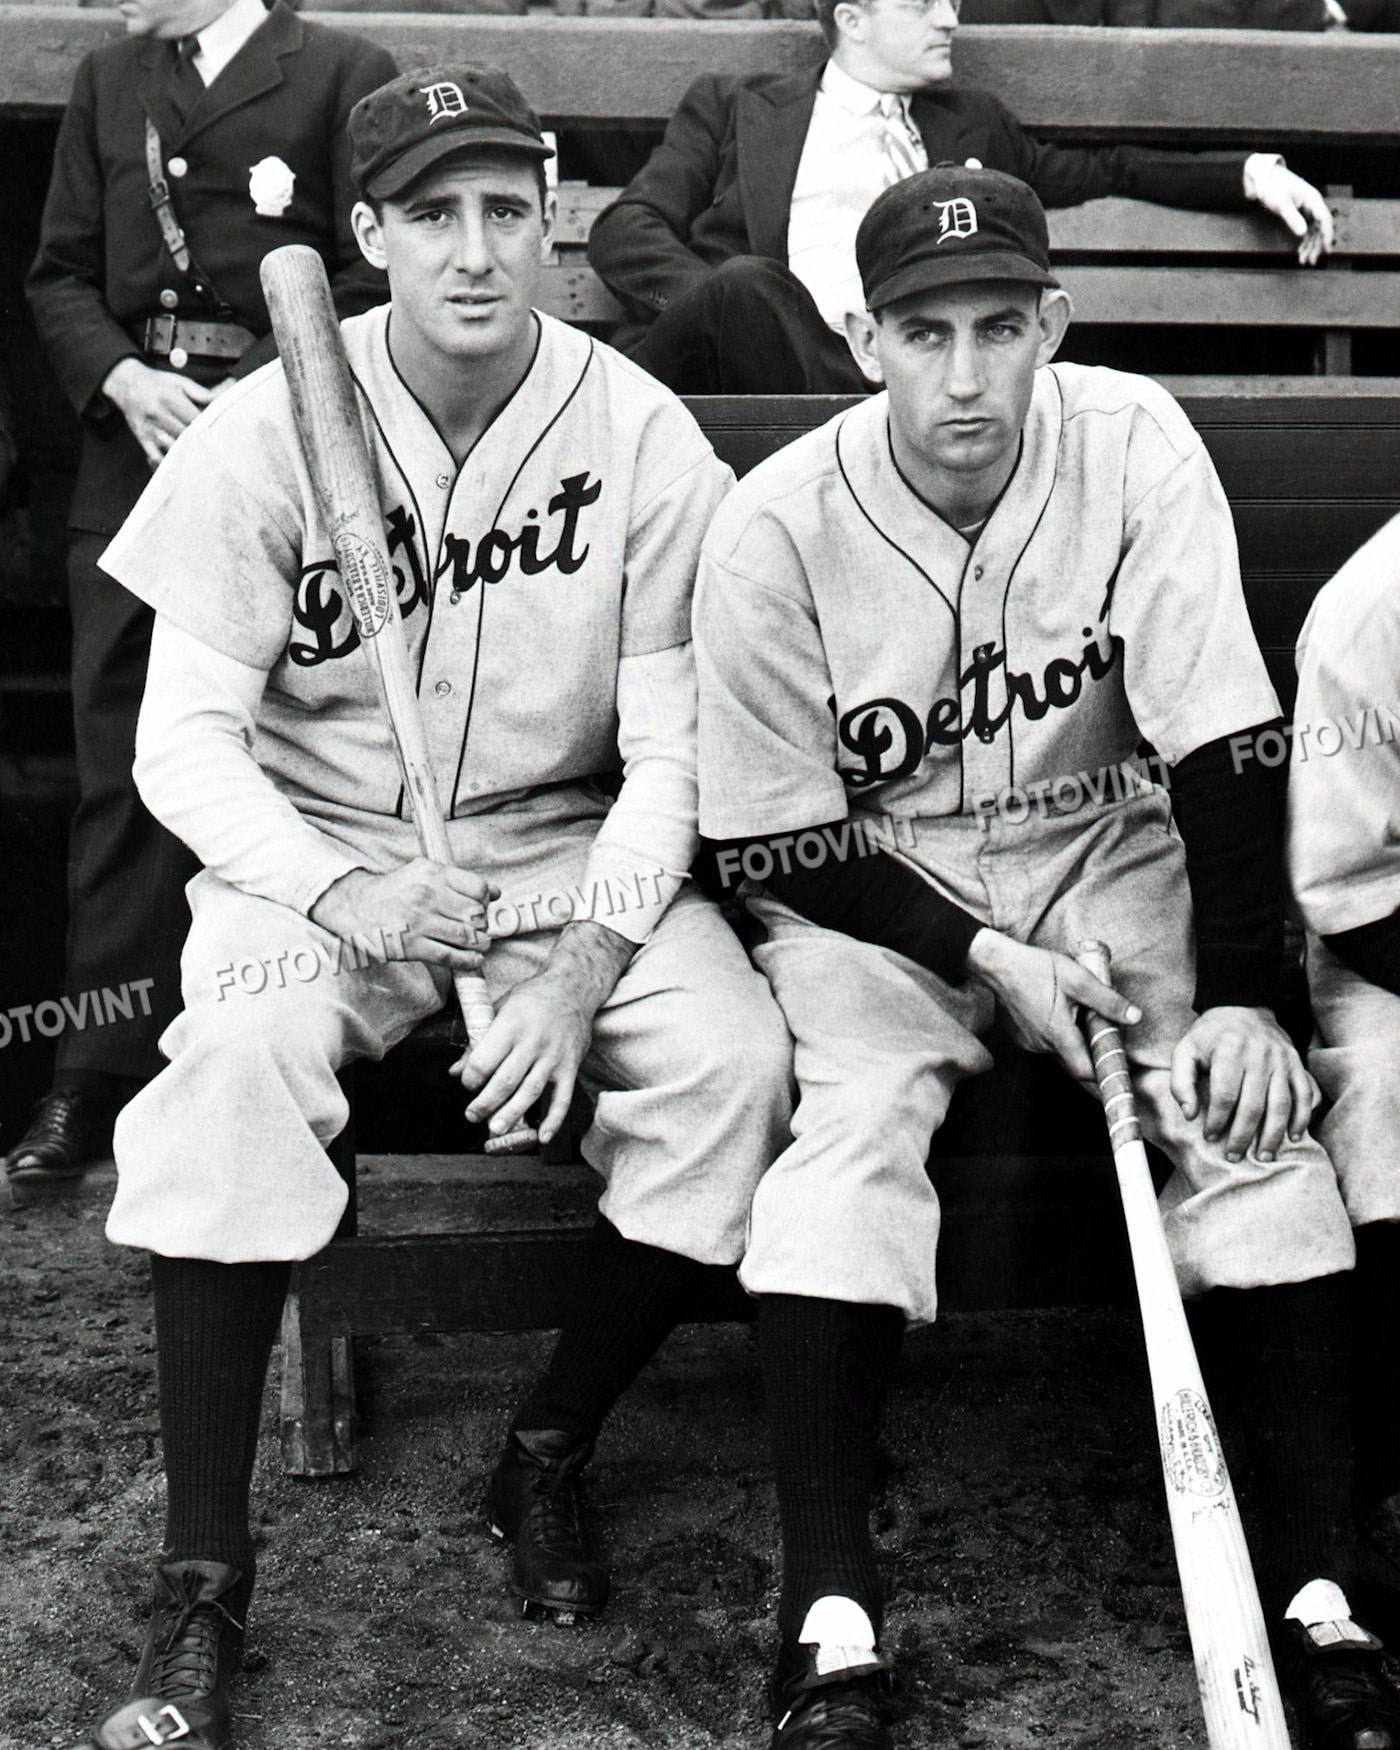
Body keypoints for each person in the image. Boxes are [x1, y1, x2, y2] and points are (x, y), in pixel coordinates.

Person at [74, 64, 791, 1750]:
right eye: (435, 215)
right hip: (317, 852)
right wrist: (347, 890)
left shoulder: (636, 435)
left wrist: (587, 962)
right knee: (233, 1067)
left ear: (549, 223)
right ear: (373, 236)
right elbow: (178, 745)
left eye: (508, 210)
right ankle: (203, 1584)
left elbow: (679, 754)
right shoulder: (265, 430)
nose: (479, 252)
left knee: (735, 1070)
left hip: (562, 854)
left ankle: (543, 1451)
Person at [693, 163, 1398, 1750]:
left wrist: (1239, 997)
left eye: (999, 327)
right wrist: (975, 949)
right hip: (879, 886)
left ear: (1052, 325)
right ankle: (829, 1612)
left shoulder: (1133, 438)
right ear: (861, 335)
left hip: (1106, 848)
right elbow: (765, 843)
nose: (964, 374)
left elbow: (1224, 735)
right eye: (925, 331)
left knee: (1246, 1123)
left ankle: (1321, 1591)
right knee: (850, 1137)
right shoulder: (773, 526)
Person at [14, 0, 396, 1192]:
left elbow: (368, 264)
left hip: (289, 446)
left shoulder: (338, 70)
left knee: (278, 762)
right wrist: (126, 379)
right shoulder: (111, 77)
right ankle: (89, 1079)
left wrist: (257, 392)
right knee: (121, 773)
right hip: (138, 458)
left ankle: (273, 1080)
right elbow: (62, 271)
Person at [589, 0, 1335, 394]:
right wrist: (732, 312)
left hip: (900, 381)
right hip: (746, 382)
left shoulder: (971, 125)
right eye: (921, 2)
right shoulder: (738, 107)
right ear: (852, 19)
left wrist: (1248, 172)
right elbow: (629, 227)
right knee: (752, 287)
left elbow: (1103, 168)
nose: (951, 16)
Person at [1287, 512, 1400, 1644]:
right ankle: (1371, 1471)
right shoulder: (1372, 610)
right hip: (1389, 952)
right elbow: (1348, 898)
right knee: (1386, 1093)